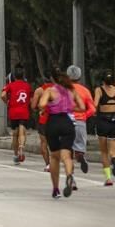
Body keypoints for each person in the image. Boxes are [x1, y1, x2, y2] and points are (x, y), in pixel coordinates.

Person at [38, 68, 84, 199]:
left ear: (52, 79)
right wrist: (69, 107)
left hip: (53, 123)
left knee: (54, 157)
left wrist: (47, 108)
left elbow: (41, 104)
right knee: (67, 156)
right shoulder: (72, 91)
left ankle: (56, 189)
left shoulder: (50, 90)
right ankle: (69, 175)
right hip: (67, 123)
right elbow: (82, 107)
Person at [93, 71, 115, 186]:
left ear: (102, 81)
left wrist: (94, 112)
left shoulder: (99, 90)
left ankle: (108, 178)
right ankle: (114, 159)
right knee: (113, 151)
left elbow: (95, 104)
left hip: (102, 122)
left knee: (104, 151)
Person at [66, 65, 95, 174]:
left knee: (67, 152)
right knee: (79, 150)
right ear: (79, 76)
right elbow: (92, 109)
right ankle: (81, 157)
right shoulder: (85, 91)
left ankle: (71, 177)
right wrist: (83, 116)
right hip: (80, 122)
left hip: (66, 122)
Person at [1, 66, 33, 165]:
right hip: (24, 111)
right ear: (23, 76)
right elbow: (31, 100)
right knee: (22, 132)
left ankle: (15, 155)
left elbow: (2, 95)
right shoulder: (27, 86)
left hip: (13, 111)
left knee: (15, 134)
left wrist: (8, 102)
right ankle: (22, 147)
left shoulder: (10, 85)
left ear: (14, 76)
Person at [31, 75, 55, 172]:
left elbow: (33, 106)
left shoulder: (39, 90)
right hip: (56, 119)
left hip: (44, 119)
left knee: (44, 143)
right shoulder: (59, 90)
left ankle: (48, 164)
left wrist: (39, 108)